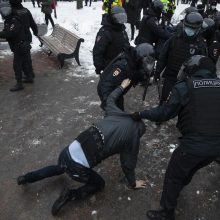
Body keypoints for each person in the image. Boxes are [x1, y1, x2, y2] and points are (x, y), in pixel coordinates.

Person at [17, 79, 147, 216]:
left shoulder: (117, 114)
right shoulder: (132, 138)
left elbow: (110, 99)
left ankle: (26, 178)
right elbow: (128, 164)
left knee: (59, 167)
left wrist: (121, 87)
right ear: (138, 133)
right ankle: (70, 195)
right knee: (99, 184)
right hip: (77, 167)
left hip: (67, 151)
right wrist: (132, 183)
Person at [131, 55, 220, 220]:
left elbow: (164, 113)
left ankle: (166, 212)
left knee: (173, 175)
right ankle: (179, 186)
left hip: (194, 146)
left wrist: (141, 113)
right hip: (215, 150)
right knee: (190, 168)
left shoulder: (186, 86)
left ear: (192, 69)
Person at [154, 12, 207, 106]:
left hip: (187, 80)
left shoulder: (200, 45)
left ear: (198, 29)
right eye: (187, 27)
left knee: (183, 103)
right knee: (165, 99)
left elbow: (203, 66)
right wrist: (157, 72)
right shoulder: (174, 39)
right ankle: (161, 116)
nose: (189, 30)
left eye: (192, 28)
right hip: (170, 75)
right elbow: (163, 56)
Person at [97, 43, 156, 110]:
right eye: (147, 61)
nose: (147, 63)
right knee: (115, 114)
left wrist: (143, 75)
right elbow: (107, 84)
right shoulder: (122, 66)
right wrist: (107, 102)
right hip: (108, 91)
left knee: (120, 111)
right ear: (140, 56)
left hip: (118, 90)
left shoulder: (135, 60)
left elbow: (134, 74)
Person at [0, 1, 38, 91]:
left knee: (18, 62)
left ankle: (22, 80)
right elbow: (32, 23)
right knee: (26, 58)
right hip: (26, 37)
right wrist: (35, 32)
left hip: (18, 39)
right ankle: (30, 75)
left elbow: (10, 31)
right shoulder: (25, 10)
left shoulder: (13, 13)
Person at [93, 6, 129, 75]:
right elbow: (97, 51)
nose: (121, 21)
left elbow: (126, 45)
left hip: (121, 66)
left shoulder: (122, 30)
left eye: (122, 18)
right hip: (108, 67)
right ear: (112, 18)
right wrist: (99, 67)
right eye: (119, 18)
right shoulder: (105, 32)